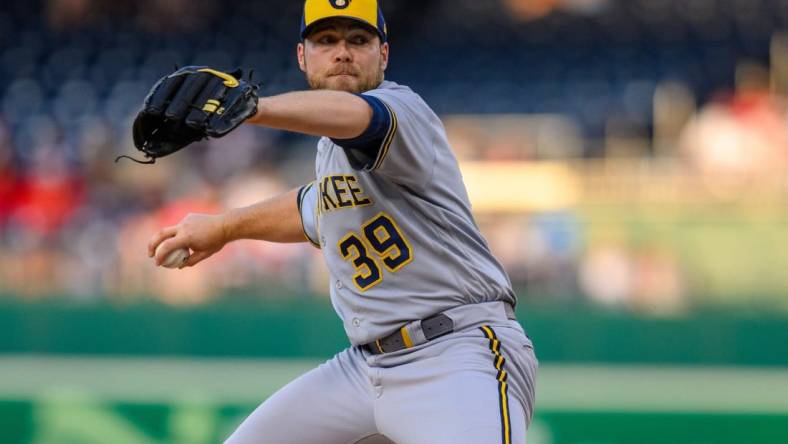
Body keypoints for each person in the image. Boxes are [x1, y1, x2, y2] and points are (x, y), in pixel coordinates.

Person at [147, 1, 538, 443]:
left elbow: (361, 119)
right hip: (364, 367)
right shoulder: (332, 151)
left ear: (383, 55)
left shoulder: (402, 110)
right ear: (302, 56)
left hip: (457, 354)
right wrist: (225, 227)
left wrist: (253, 107)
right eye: (326, 41)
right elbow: (311, 206)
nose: (343, 52)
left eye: (358, 40)